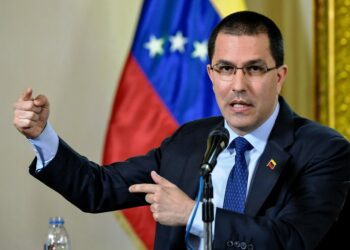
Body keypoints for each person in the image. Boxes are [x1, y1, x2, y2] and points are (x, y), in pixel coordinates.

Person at [13, 11, 350, 250]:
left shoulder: (323, 150)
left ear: (279, 76)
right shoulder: (188, 141)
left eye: (255, 69)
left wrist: (193, 215)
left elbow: (292, 240)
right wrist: (42, 135)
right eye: (226, 69)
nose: (238, 85)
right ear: (211, 75)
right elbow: (98, 189)